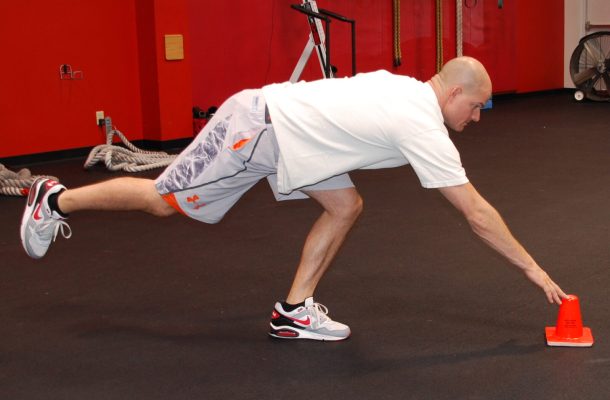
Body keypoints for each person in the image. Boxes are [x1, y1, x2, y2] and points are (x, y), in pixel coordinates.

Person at [20, 56, 568, 341]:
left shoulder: (407, 89)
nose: (476, 118)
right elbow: (475, 212)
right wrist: (534, 270)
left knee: (346, 205)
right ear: (454, 92)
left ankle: (294, 311)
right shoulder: (421, 122)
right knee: (163, 201)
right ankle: (54, 199)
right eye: (475, 107)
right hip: (256, 129)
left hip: (293, 140)